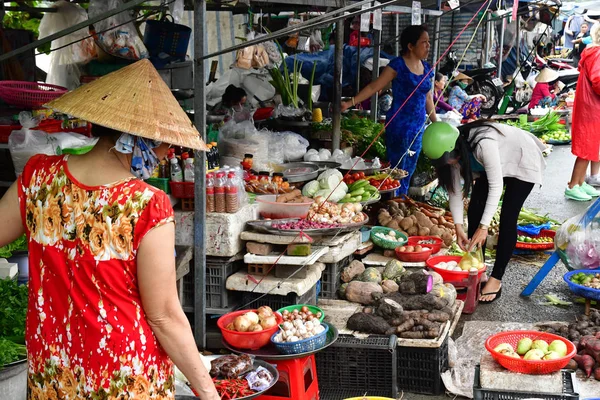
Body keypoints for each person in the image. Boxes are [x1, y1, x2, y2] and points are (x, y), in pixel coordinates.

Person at [0, 60, 219, 399]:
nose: (166, 155)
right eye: (163, 145)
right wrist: (207, 390)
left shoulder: (37, 176)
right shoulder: (147, 204)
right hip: (121, 373)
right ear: (136, 141)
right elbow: (163, 316)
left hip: (53, 367)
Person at [422, 121, 547, 303]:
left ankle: (496, 279)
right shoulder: (451, 153)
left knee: (508, 217)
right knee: (475, 209)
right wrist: (458, 228)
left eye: (449, 159)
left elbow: (496, 187)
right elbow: (454, 192)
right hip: (496, 163)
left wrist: (484, 227)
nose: (448, 163)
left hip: (522, 158)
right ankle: (478, 269)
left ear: (457, 148)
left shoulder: (483, 143)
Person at [341, 25, 438, 195]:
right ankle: (393, 201)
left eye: (428, 42)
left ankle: (402, 201)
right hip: (399, 127)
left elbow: (428, 99)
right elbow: (374, 87)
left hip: (417, 128)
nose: (428, 46)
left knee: (409, 168)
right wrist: (350, 103)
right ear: (410, 46)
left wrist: (436, 123)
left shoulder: (427, 68)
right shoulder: (398, 65)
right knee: (397, 169)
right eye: (424, 42)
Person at [567, 23, 600, 200]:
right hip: (591, 108)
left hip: (590, 106)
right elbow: (598, 80)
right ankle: (573, 185)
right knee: (586, 148)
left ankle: (580, 183)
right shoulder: (597, 54)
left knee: (589, 147)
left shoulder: (593, 52)